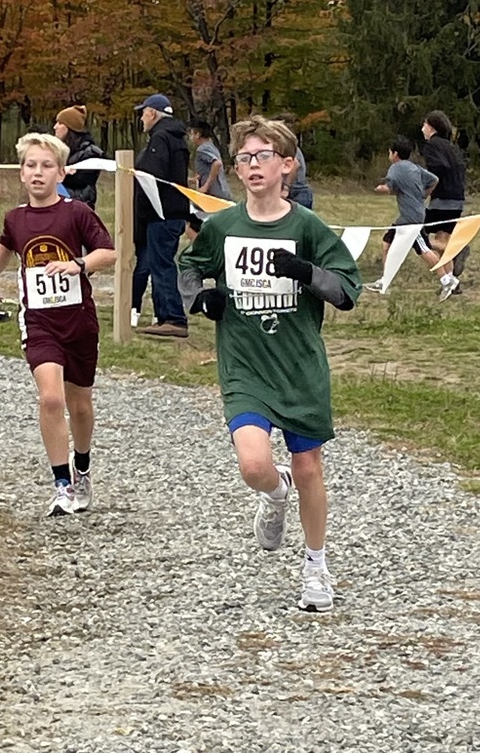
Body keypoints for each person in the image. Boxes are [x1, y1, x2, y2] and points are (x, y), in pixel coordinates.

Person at [178, 115, 362, 613]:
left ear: (287, 166)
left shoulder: (307, 226)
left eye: (263, 157)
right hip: (246, 366)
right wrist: (203, 300)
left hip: (299, 366)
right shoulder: (222, 227)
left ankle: (317, 567)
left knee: (308, 467)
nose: (252, 166)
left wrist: (305, 272)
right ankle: (272, 491)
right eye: (244, 158)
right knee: (254, 463)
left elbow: (348, 289)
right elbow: (190, 267)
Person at [0, 132, 117, 518]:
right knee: (51, 398)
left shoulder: (76, 213)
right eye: (30, 166)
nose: (38, 173)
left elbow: (107, 252)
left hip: (78, 320)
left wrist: (77, 265)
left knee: (80, 403)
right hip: (38, 321)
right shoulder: (16, 218)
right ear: (21, 174)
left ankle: (83, 466)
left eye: (46, 166)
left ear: (61, 172)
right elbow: (6, 243)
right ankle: (61, 484)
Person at [366, 136, 460, 302]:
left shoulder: (395, 169)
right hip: (409, 216)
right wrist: (424, 194)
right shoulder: (414, 168)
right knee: (387, 243)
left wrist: (378, 189)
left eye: (389, 152)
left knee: (423, 249)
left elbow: (389, 187)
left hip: (412, 219)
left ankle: (447, 280)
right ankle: (384, 280)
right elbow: (434, 180)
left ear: (395, 154)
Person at [132, 93, 190, 338]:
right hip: (173, 211)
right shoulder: (176, 137)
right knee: (161, 262)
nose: (142, 118)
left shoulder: (160, 137)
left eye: (143, 113)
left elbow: (152, 176)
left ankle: (173, 318)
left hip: (161, 212)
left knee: (161, 264)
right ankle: (164, 316)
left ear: (152, 113)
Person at [421, 110, 469, 285]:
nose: (422, 129)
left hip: (442, 199)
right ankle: (451, 282)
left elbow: (438, 167)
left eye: (424, 125)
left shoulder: (432, 146)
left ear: (431, 128)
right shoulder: (451, 146)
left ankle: (457, 250)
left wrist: (426, 184)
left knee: (414, 233)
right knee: (442, 237)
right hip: (457, 198)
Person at [186, 118, 232, 240]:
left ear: (198, 134)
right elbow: (208, 169)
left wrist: (206, 186)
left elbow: (217, 164)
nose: (190, 137)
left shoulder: (202, 149)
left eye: (191, 133)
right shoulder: (212, 146)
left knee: (191, 224)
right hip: (220, 192)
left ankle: (201, 249)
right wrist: (195, 179)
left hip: (213, 194)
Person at [53, 104, 104, 210]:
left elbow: (78, 181)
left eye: (60, 123)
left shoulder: (91, 154)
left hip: (79, 211)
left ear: (70, 127)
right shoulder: (57, 152)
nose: (55, 127)